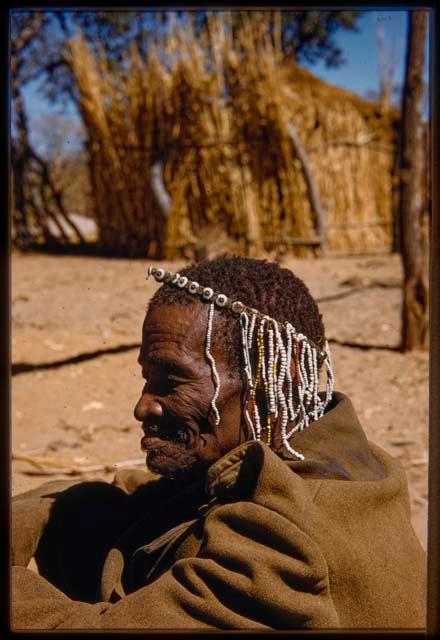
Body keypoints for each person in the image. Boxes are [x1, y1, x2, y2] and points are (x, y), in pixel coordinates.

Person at [11, 256, 426, 630]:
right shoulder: (328, 451)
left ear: (269, 385)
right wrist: (50, 510)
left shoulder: (287, 542)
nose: (142, 408)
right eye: (147, 379)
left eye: (172, 381)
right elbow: (154, 498)